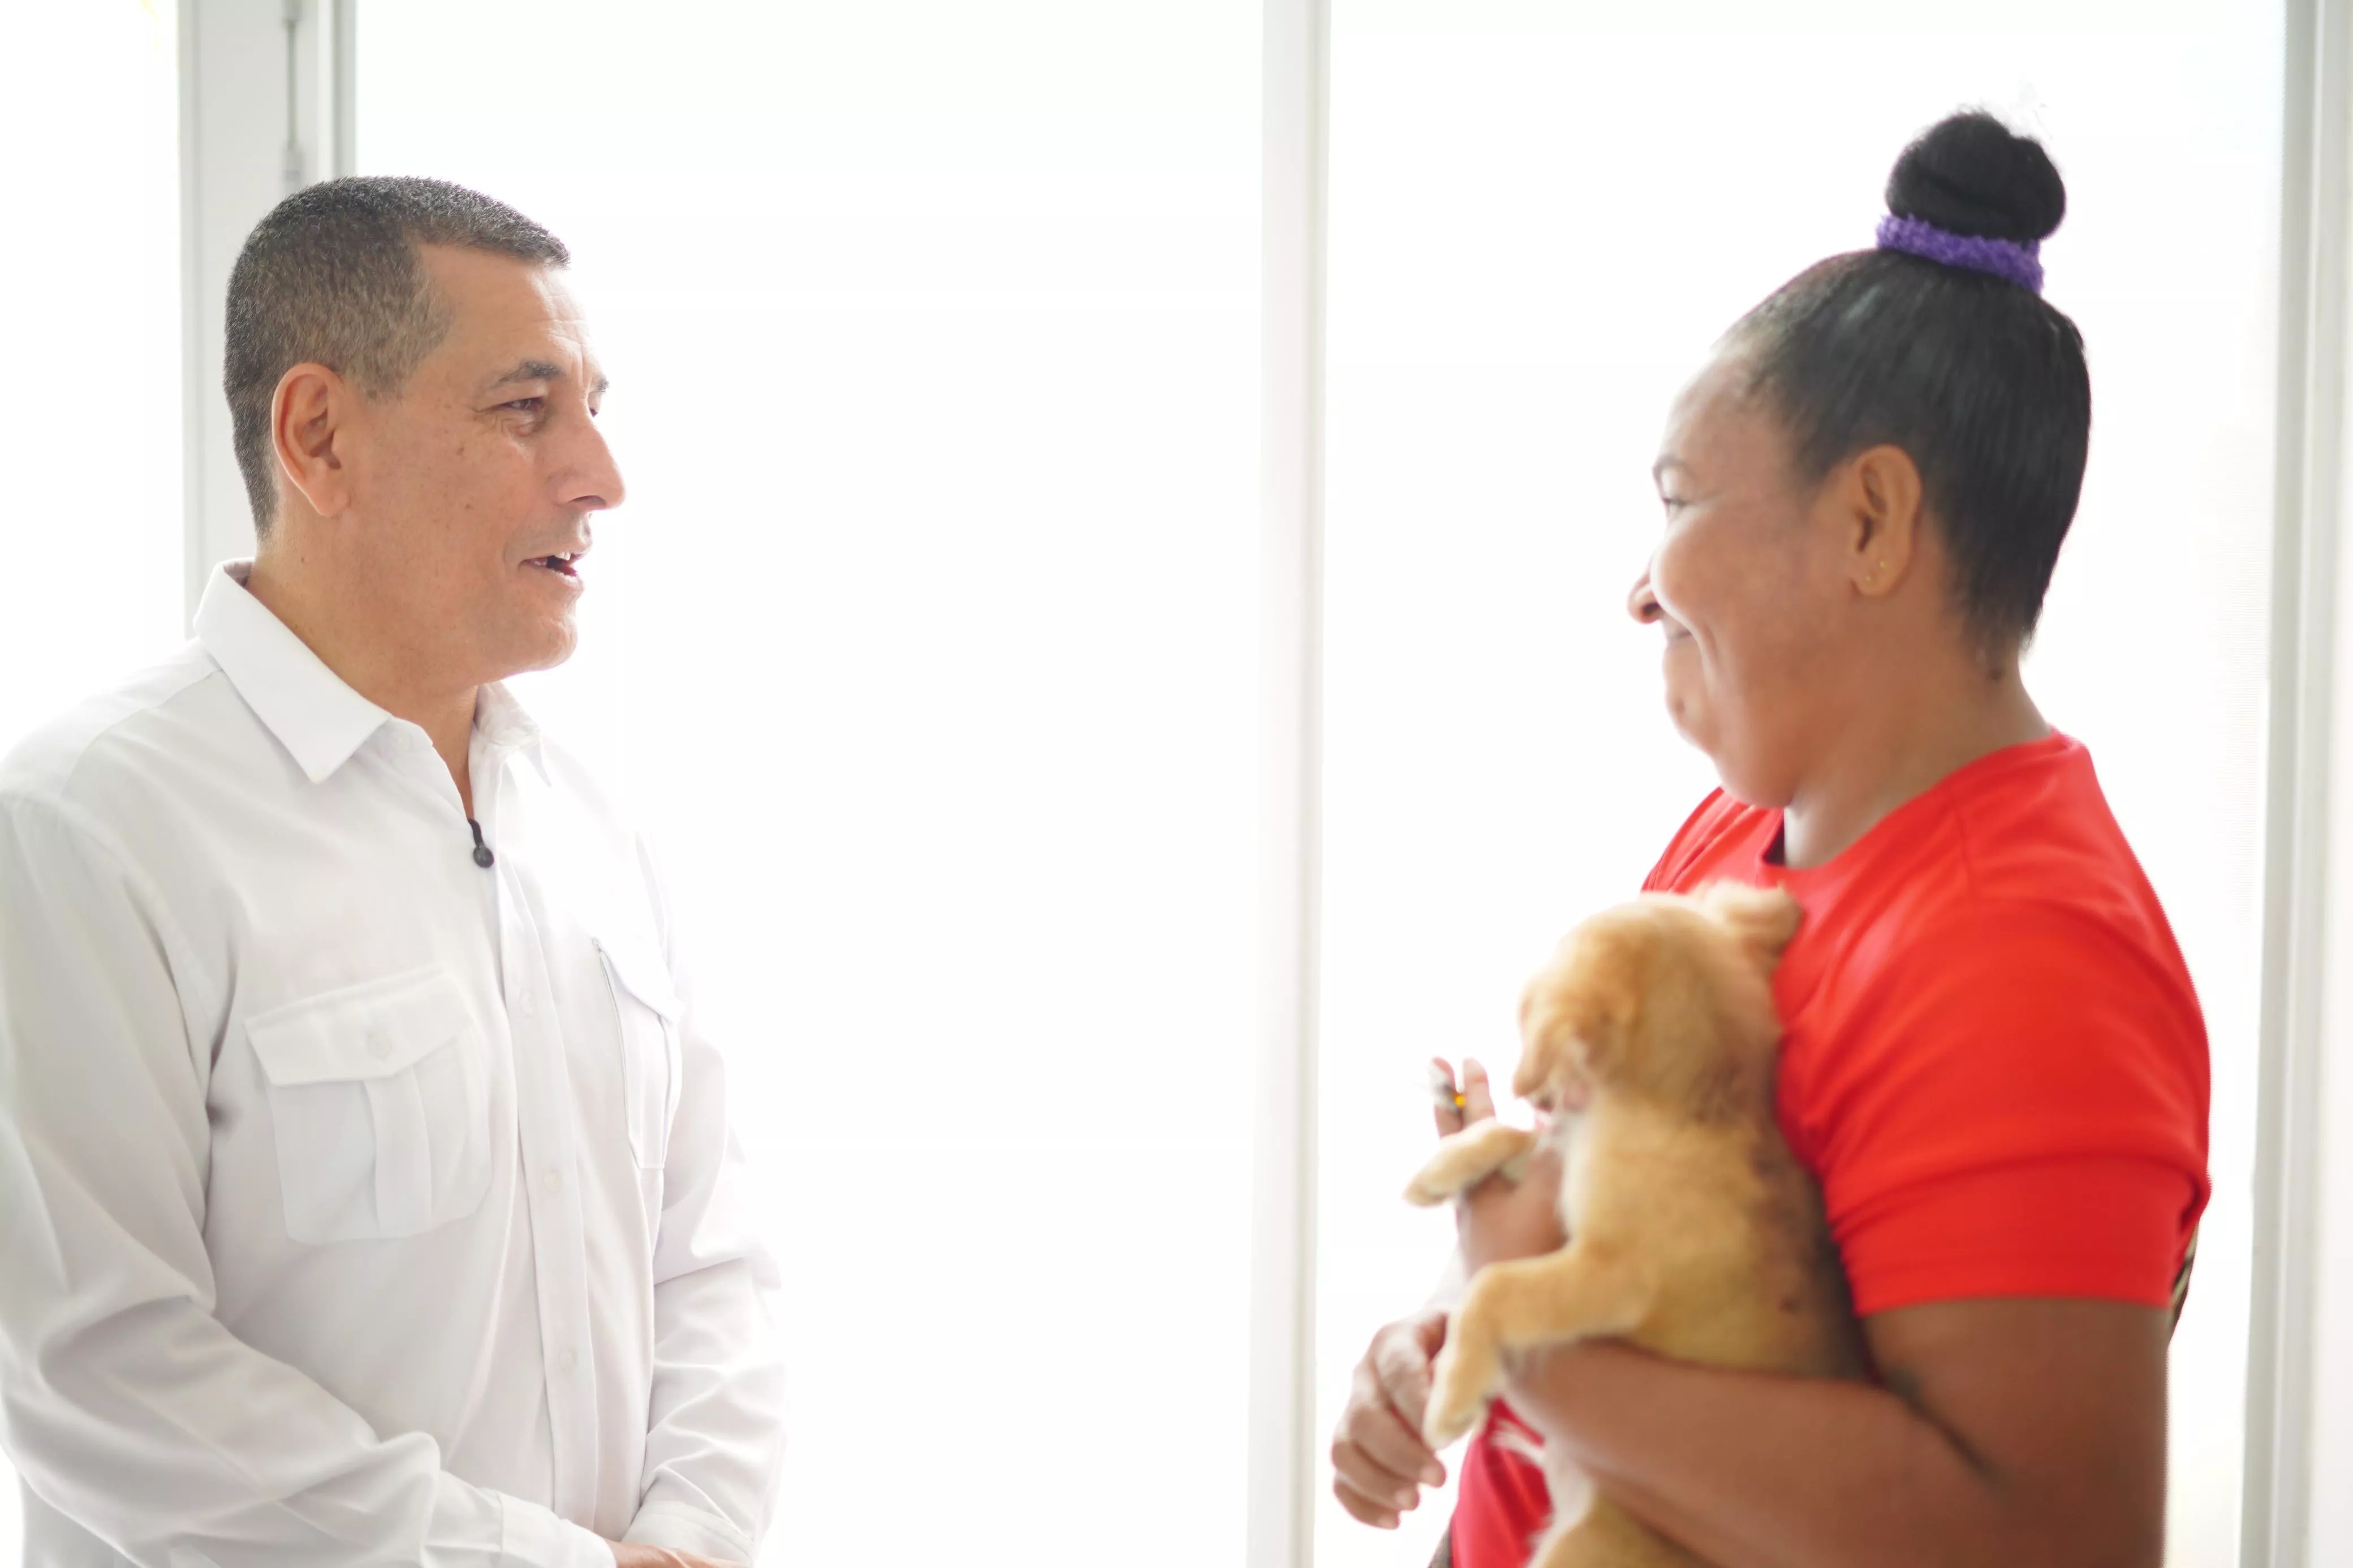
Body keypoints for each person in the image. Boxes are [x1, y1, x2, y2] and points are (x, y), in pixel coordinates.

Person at [1329, 112, 2209, 1568]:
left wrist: (1525, 1353)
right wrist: (1438, 1338)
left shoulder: (2030, 960)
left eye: (1677, 501)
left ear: (1868, 521)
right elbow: (1625, 1236)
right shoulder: (1741, 837)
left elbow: (2042, 1536)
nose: (1638, 588)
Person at [0, 178, 783, 1568]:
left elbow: (712, 1257)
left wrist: (696, 1538)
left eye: (595, 408)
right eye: (527, 410)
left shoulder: (599, 825)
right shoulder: (81, 830)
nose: (601, 476)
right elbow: (102, 1371)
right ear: (318, 436)